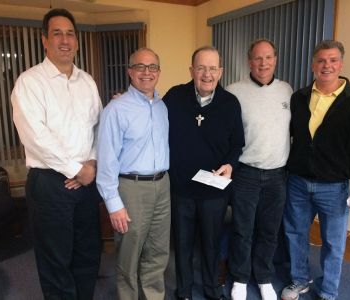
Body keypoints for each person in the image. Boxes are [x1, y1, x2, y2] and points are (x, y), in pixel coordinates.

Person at [11, 8, 103, 300]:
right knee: (55, 261)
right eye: (57, 33)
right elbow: (35, 137)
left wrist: (91, 163)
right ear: (44, 40)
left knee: (88, 254)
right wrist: (76, 168)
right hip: (50, 184)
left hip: (87, 182)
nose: (65, 40)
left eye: (70, 33)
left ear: (76, 41)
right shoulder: (30, 82)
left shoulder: (87, 82)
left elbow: (99, 128)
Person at [281, 40, 350, 300]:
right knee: (295, 234)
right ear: (313, 64)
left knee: (334, 244)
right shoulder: (298, 98)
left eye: (333, 60)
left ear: (341, 64)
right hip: (298, 182)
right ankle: (299, 280)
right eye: (321, 60)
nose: (327, 65)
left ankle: (328, 291)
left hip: (334, 187)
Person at [164, 46, 244, 300]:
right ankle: (184, 291)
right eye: (201, 68)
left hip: (214, 191)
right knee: (183, 244)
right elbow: (149, 117)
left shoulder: (230, 103)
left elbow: (237, 144)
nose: (206, 74)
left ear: (220, 72)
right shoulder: (174, 97)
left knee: (211, 244)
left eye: (212, 68)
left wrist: (231, 164)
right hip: (181, 189)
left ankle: (211, 289)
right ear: (191, 70)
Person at [96, 48, 170, 300]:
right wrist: (114, 205)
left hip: (163, 185)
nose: (146, 72)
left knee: (158, 253)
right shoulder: (115, 110)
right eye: (140, 66)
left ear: (159, 72)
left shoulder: (162, 107)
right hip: (131, 188)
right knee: (129, 255)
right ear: (130, 71)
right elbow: (106, 163)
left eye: (152, 67)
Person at [226, 38, 293, 300]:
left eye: (268, 57)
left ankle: (264, 278)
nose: (263, 63)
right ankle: (240, 279)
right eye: (257, 58)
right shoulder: (233, 91)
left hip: (278, 175)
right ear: (249, 61)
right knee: (242, 230)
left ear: (275, 59)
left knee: (269, 230)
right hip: (246, 174)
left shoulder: (287, 90)